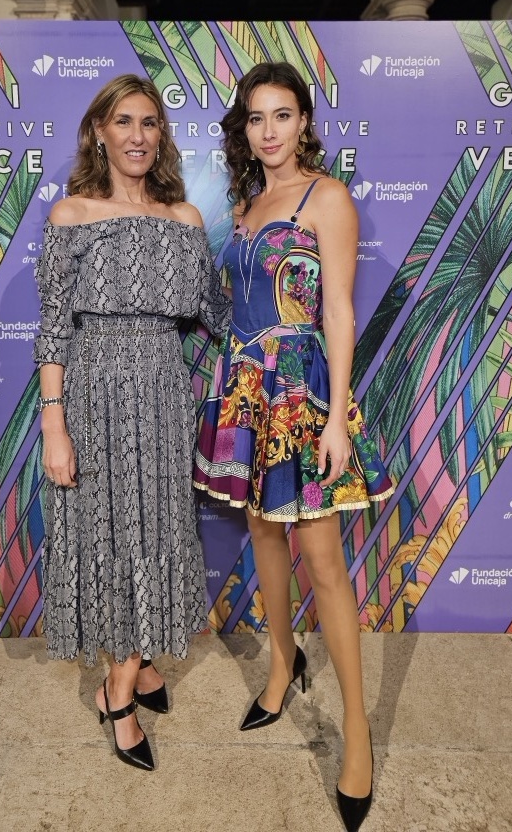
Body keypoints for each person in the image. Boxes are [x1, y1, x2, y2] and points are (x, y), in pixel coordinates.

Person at [193, 62, 393, 830]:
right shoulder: (246, 207)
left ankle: (357, 732)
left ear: (304, 121)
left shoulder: (327, 198)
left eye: (282, 115)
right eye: (255, 117)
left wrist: (336, 417)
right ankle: (282, 664)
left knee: (324, 561)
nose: (268, 130)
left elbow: (338, 313)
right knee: (262, 536)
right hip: (246, 389)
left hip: (302, 393)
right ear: (243, 130)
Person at [34, 74, 230, 772]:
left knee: (155, 529)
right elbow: (53, 329)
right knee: (110, 533)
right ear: (100, 132)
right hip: (92, 393)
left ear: (161, 136)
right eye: (123, 121)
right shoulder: (71, 215)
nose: (137, 136)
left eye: (149, 123)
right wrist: (55, 425)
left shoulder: (186, 220)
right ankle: (117, 696)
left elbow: (216, 313)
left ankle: (136, 663)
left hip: (163, 391)